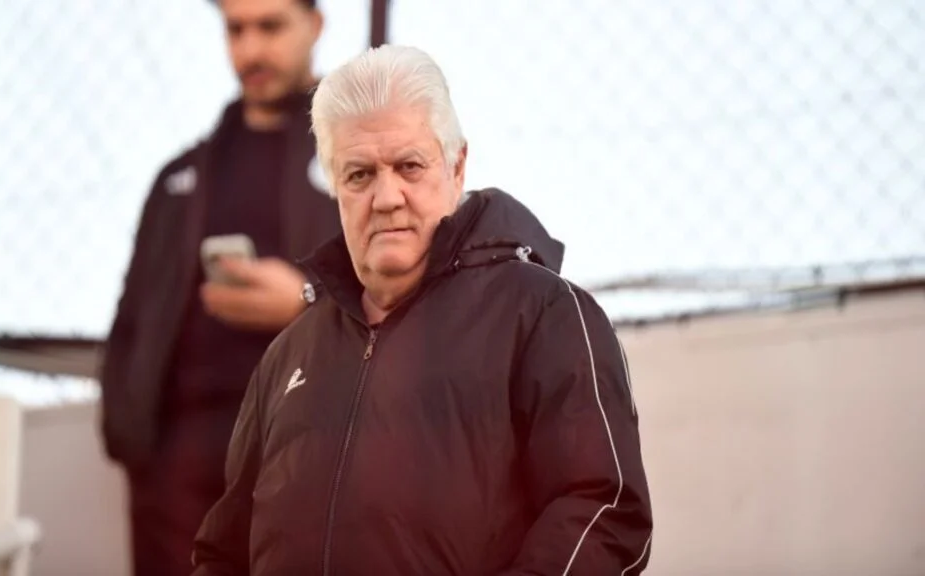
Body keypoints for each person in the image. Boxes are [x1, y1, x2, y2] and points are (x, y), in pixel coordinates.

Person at [191, 44, 654, 575]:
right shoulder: (288, 355)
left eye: (409, 166)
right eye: (359, 175)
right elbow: (222, 552)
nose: (386, 197)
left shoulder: (543, 314)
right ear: (336, 188)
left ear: (456, 167)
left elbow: (603, 507)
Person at [97, 0, 341, 574]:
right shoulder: (179, 176)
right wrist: (129, 438)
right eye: (236, 30)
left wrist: (305, 300)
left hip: (302, 454)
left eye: (270, 26)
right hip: (176, 467)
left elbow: (405, 299)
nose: (251, 50)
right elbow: (132, 318)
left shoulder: (356, 166)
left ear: (315, 25)